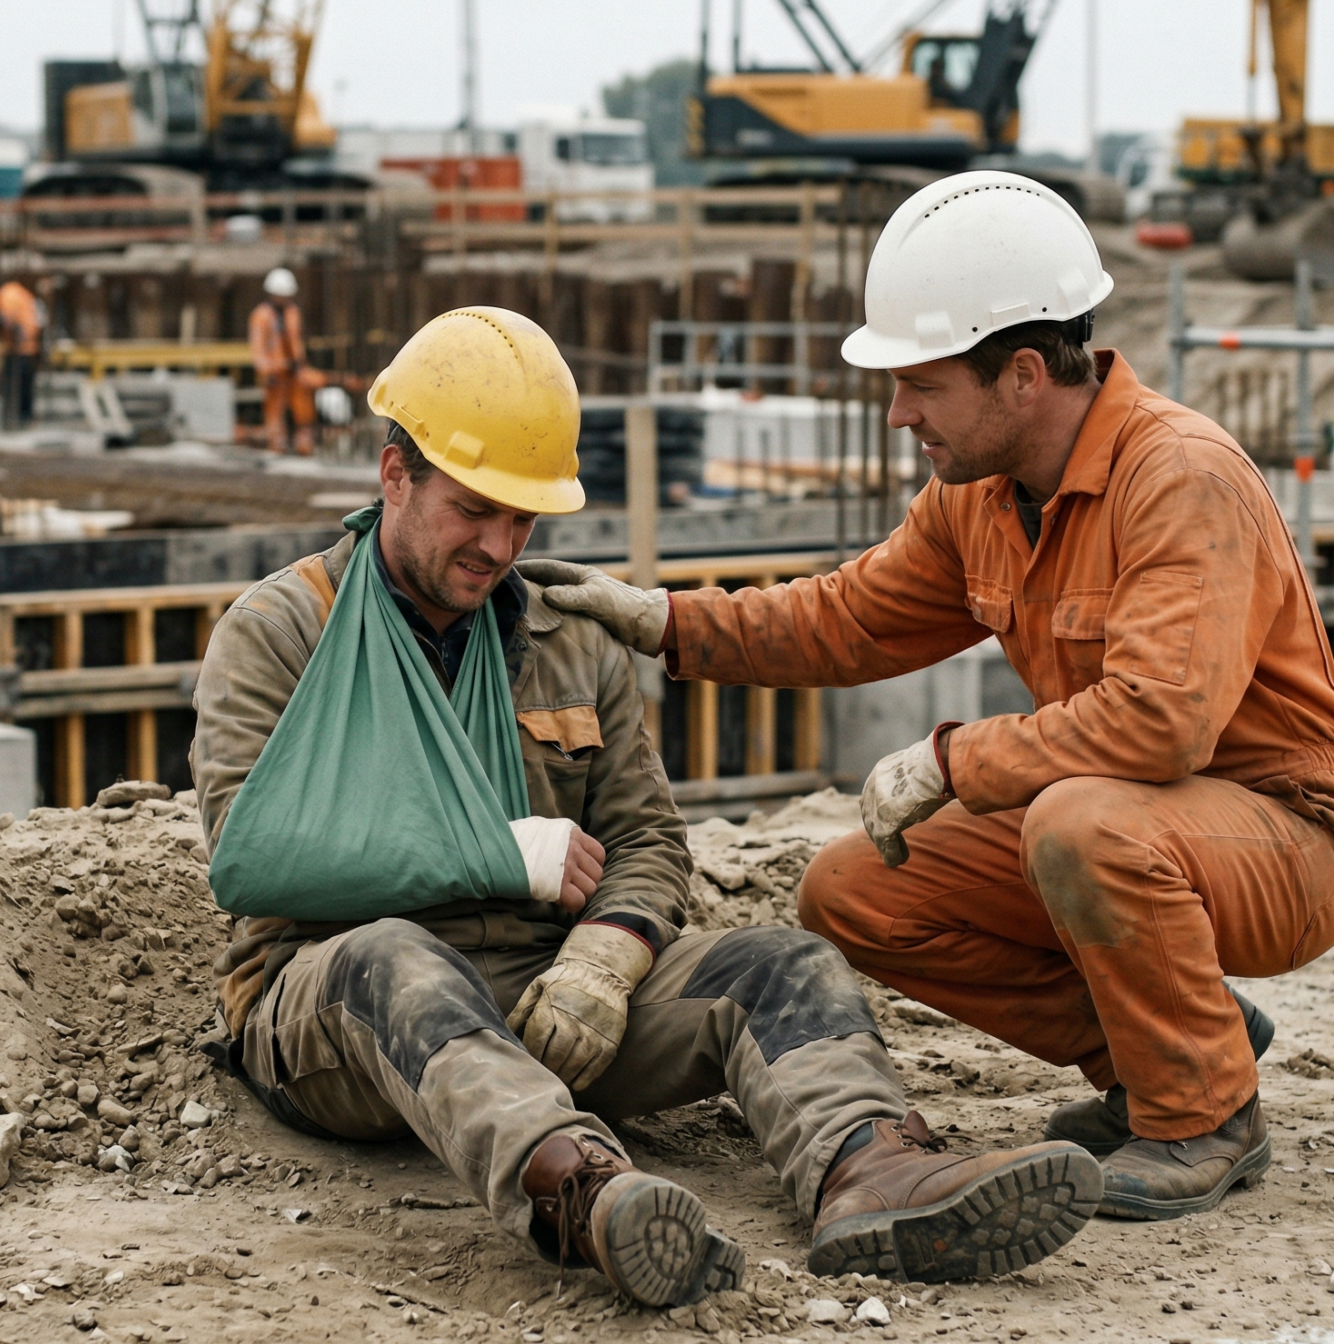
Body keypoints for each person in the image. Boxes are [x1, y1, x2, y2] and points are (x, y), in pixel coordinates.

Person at [192, 305, 1101, 1309]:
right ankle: (581, 1190)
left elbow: (645, 840)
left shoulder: (561, 636)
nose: (497, 545)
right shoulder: (284, 632)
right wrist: (493, 853)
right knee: (392, 962)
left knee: (779, 963)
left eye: (522, 519)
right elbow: (251, 858)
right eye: (471, 509)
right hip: (340, 1015)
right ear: (393, 474)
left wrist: (605, 955)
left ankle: (868, 1172)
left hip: (541, 993)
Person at [527, 171, 1334, 1223]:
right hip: (1134, 828)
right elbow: (844, 619)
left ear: (1020, 374)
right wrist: (663, 619)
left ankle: (1201, 1113)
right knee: (853, 892)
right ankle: (1167, 1041)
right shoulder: (977, 495)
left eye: (920, 386)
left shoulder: (1177, 476)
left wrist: (947, 762)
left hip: (1288, 842)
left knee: (1077, 821)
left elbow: (1161, 720)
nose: (896, 416)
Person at [247, 267, 321, 455]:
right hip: (275, 371)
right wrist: (266, 371)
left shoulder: (292, 313)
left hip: (294, 369)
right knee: (274, 410)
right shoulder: (261, 316)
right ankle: (277, 445)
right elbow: (258, 348)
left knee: (303, 407)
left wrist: (300, 363)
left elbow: (296, 340)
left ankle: (304, 445)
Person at [0, 277, 45, 429]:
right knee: (26, 386)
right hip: (29, 348)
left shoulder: (5, 294)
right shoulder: (26, 296)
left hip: (15, 349)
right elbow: (37, 323)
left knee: (13, 385)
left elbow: (6, 320)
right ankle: (25, 416)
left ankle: (13, 417)